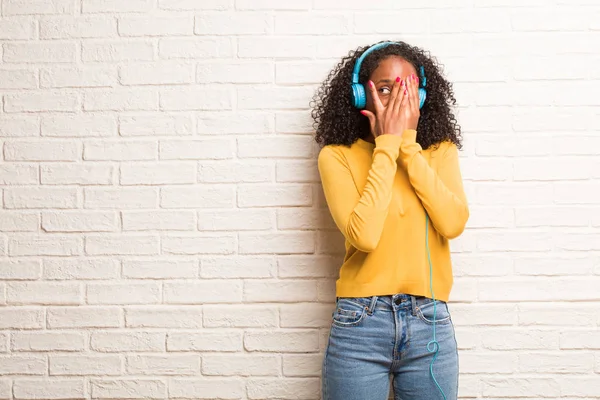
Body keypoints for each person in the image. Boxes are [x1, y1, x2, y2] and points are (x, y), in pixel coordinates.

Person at [311, 41, 469, 400]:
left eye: (407, 89)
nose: (397, 100)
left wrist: (408, 146)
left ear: (423, 97)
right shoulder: (337, 156)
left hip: (429, 320)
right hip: (359, 323)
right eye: (385, 89)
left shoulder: (438, 151)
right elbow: (364, 236)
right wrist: (386, 146)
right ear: (358, 94)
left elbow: (453, 223)